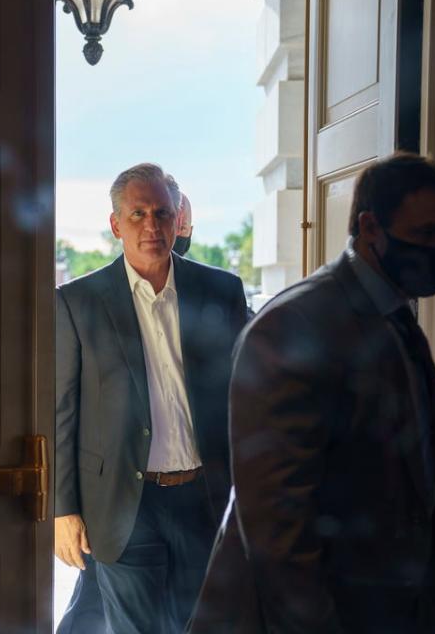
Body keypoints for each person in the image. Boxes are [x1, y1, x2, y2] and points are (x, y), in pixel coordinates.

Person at [188, 153, 435, 633]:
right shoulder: (293, 326)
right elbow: (279, 531)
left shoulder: (394, 314)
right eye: (427, 233)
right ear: (369, 228)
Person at [56, 163, 248, 633]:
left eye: (162, 213)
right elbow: (63, 410)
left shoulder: (220, 291)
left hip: (204, 498)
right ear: (116, 224)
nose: (151, 225)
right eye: (137, 213)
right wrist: (63, 509)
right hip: (124, 503)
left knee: (202, 624)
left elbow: (248, 392)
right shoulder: (77, 302)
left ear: (177, 219)